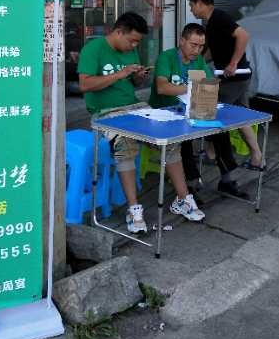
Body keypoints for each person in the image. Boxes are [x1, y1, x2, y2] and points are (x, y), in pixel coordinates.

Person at [77, 12, 204, 234]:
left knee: (170, 139)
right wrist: (119, 74)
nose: (134, 45)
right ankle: (134, 209)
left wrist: (138, 77)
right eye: (132, 40)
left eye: (137, 42)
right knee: (125, 144)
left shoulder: (131, 50)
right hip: (105, 112)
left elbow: (132, 82)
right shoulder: (93, 49)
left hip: (135, 106)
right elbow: (85, 85)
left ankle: (183, 199)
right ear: (118, 32)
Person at [148, 23, 241, 197]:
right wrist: (193, 87)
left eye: (201, 46)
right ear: (181, 41)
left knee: (220, 131)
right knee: (185, 138)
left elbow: (207, 83)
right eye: (193, 45)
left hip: (190, 110)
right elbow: (162, 87)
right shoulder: (166, 58)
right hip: (165, 113)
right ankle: (190, 186)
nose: (197, 50)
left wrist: (210, 85)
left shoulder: (198, 61)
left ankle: (226, 179)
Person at [188, 0, 263, 180]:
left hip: (234, 76)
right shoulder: (210, 23)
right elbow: (215, 49)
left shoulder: (219, 17)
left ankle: (213, 154)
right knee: (240, 116)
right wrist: (199, 61)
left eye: (191, 5)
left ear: (199, 2)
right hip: (236, 77)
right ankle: (257, 156)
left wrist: (233, 63)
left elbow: (243, 35)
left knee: (208, 108)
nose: (191, 10)